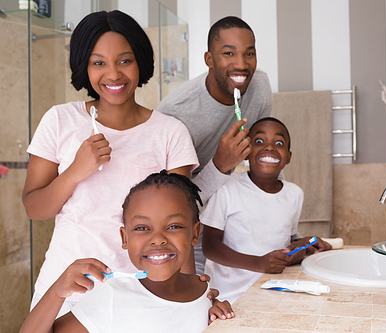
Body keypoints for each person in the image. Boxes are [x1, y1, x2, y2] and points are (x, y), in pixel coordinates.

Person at [22, 10, 199, 316]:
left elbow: (180, 228)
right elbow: (35, 209)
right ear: (84, 66)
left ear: (140, 61)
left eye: (125, 60)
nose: (114, 74)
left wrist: (193, 296)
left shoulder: (170, 133)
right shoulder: (59, 120)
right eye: (98, 62)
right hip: (67, 287)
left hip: (142, 292)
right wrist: (76, 171)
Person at [20, 171, 235, 333]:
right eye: (142, 228)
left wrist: (221, 322)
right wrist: (57, 292)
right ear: (124, 238)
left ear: (195, 233)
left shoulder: (204, 292)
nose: (158, 239)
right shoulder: (112, 296)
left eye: (173, 226)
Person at [157, 16, 273, 274]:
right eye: (228, 53)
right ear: (209, 59)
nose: (241, 65)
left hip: (227, 215)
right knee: (193, 302)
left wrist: (279, 213)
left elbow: (267, 156)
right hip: (185, 226)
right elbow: (169, 206)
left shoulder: (260, 86)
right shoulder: (176, 113)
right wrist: (220, 165)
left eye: (249, 53)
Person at [201, 117, 332, 303]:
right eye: (259, 141)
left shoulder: (294, 194)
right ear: (246, 152)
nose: (269, 147)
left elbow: (288, 239)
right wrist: (258, 263)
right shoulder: (226, 189)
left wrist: (306, 243)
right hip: (229, 298)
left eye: (278, 143)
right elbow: (210, 247)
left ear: (288, 157)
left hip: (274, 291)